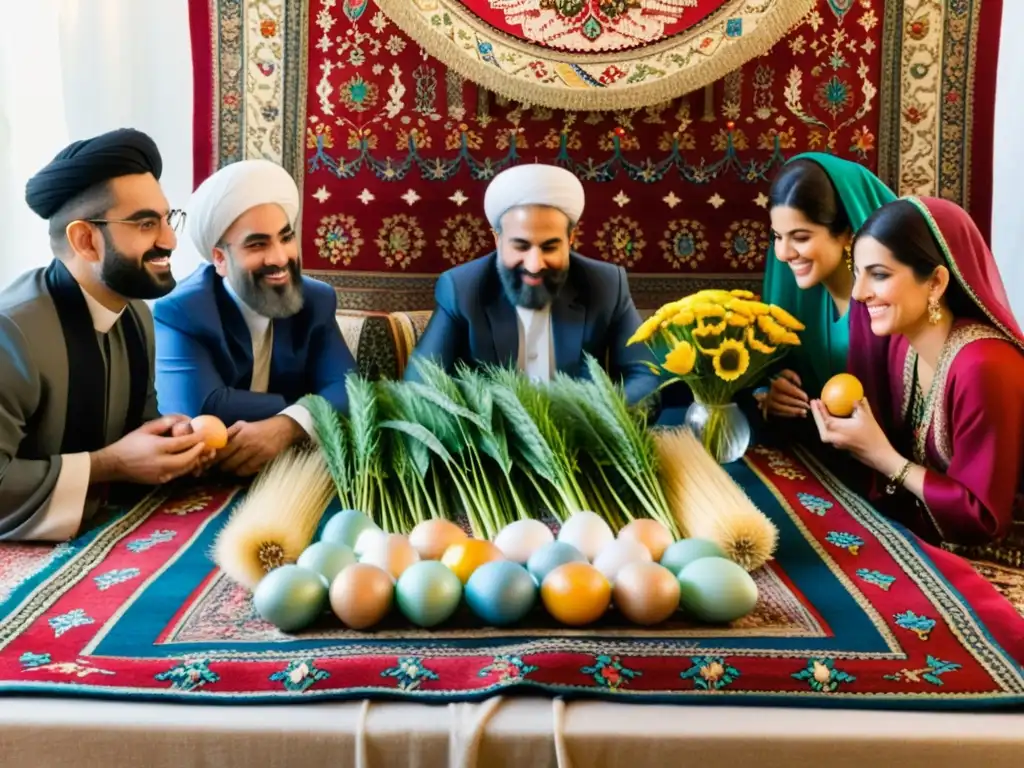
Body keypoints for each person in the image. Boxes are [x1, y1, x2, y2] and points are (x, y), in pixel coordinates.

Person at [0, 128, 212, 541]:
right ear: (85, 240)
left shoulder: (137, 315)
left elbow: (135, 430)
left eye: (167, 219)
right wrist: (108, 466)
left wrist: (170, 443)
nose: (169, 239)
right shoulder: (11, 332)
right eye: (146, 223)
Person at [811, 197, 1023, 565]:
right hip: (937, 543)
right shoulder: (900, 344)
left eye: (878, 274)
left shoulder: (984, 366)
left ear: (936, 282)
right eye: (856, 271)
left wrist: (884, 459)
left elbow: (983, 520)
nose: (860, 293)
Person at [154, 159, 356, 476]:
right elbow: (203, 408)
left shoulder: (316, 300)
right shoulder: (180, 311)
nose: (279, 257)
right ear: (220, 259)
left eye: (285, 238)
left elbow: (348, 389)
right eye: (258, 244)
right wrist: (307, 404)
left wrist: (289, 425)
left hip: (292, 474)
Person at [406, 163, 659, 407]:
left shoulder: (605, 284)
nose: (535, 264)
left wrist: (595, 419)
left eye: (550, 247)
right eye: (521, 246)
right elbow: (420, 385)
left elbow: (646, 377)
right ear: (497, 239)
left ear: (570, 239)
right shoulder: (461, 288)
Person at [758, 154, 896, 422]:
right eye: (777, 237)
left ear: (847, 233)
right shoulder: (799, 291)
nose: (784, 253)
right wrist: (771, 393)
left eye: (800, 237)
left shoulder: (892, 302)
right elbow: (773, 369)